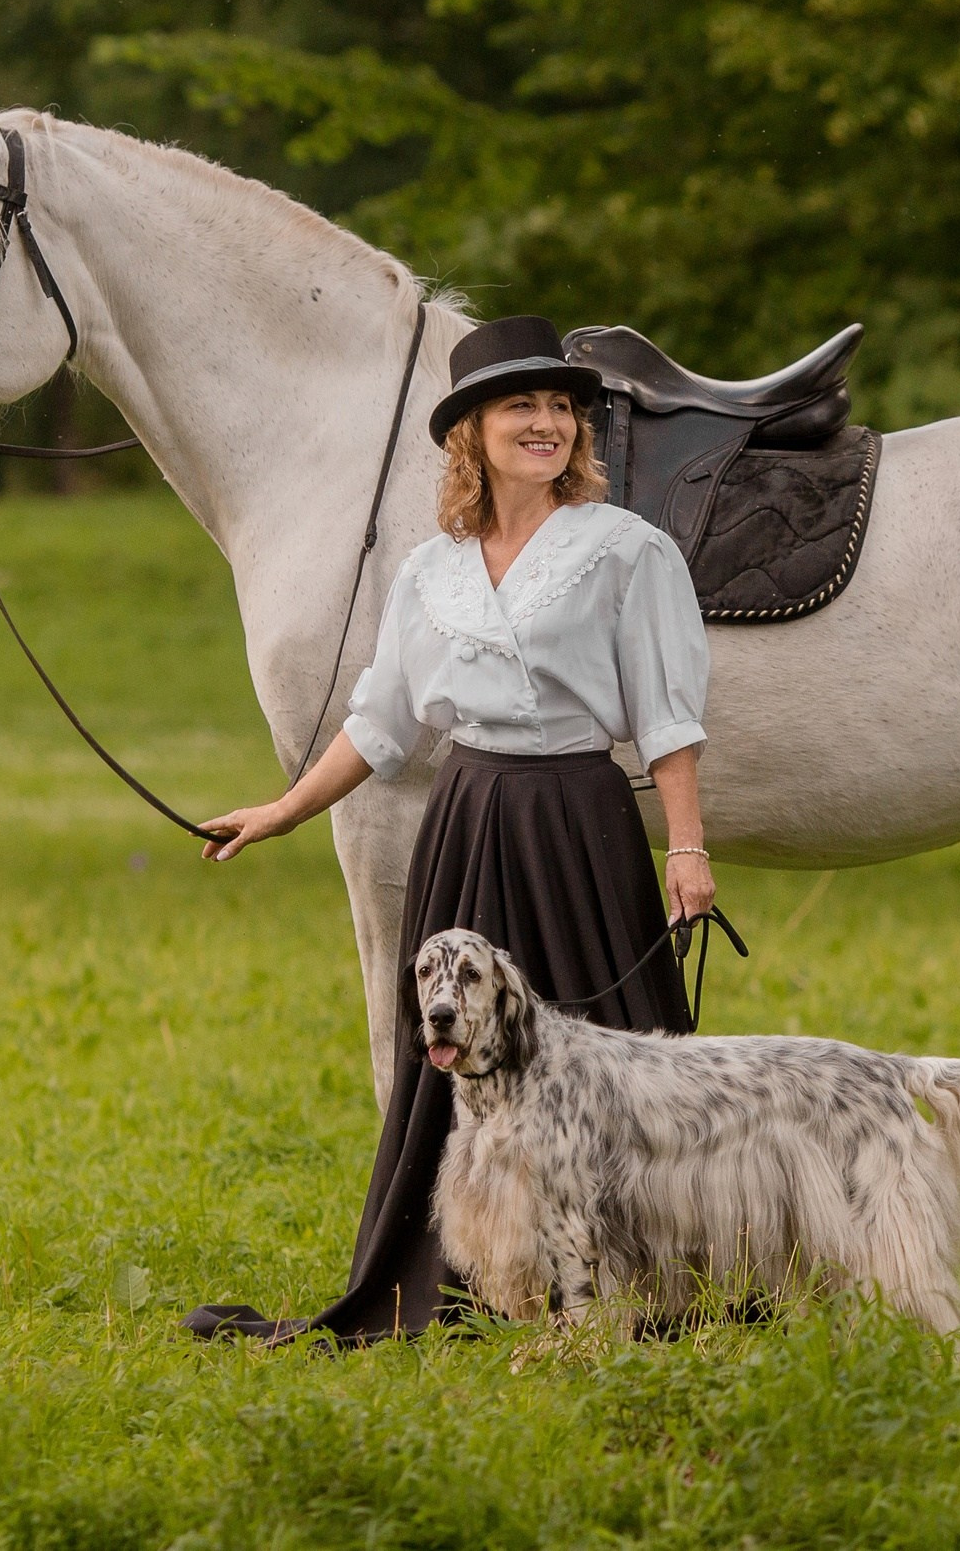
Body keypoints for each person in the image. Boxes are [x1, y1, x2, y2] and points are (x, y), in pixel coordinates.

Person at [193, 313, 716, 1342]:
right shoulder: (428, 572)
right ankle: (460, 1279)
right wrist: (285, 809)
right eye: (521, 406)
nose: (546, 423)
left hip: (578, 823)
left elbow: (668, 717)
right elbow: (381, 725)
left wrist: (688, 849)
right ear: (471, 433)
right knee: (457, 1049)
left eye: (560, 407)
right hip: (466, 825)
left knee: (615, 1064)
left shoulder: (627, 551)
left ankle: (639, 1284)